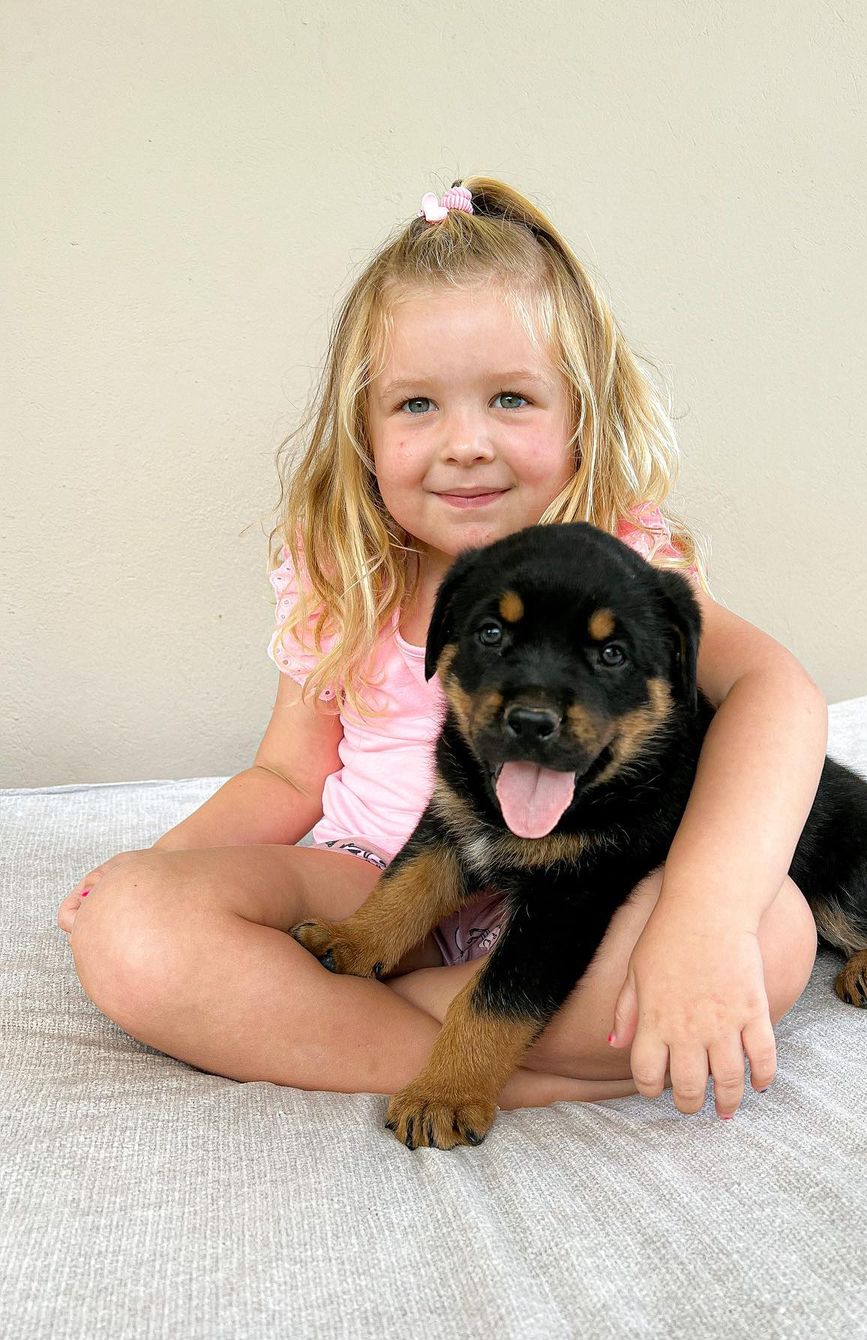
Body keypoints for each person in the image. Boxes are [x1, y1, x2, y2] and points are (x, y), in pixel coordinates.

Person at [58, 176, 824, 1120]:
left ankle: (404, 1038)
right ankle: (522, 1065)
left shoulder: (622, 560)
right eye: (416, 406)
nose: (465, 444)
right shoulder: (346, 574)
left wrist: (702, 920)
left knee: (775, 931)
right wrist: (157, 865)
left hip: (574, 903)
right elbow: (286, 780)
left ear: (582, 420)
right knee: (133, 929)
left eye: (511, 398)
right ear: (365, 433)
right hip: (372, 883)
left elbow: (775, 692)